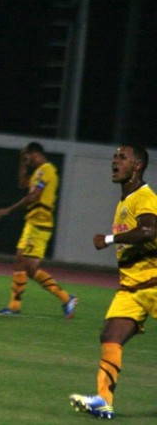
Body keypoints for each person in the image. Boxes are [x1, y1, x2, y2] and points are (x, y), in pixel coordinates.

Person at [69, 144, 157, 420]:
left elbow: (149, 230)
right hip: (131, 290)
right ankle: (103, 402)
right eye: (114, 156)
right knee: (110, 335)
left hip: (153, 285)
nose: (114, 161)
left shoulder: (144, 197)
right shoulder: (124, 201)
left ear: (138, 166)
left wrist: (108, 239)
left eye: (122, 157)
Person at [0, 142, 77, 317]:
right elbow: (22, 183)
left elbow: (33, 196)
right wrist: (23, 164)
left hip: (40, 223)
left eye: (28, 156)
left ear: (36, 153)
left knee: (27, 265)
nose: (28, 160)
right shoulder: (37, 173)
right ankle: (16, 305)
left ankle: (64, 298)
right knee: (22, 263)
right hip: (32, 222)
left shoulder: (46, 170)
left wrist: (8, 210)